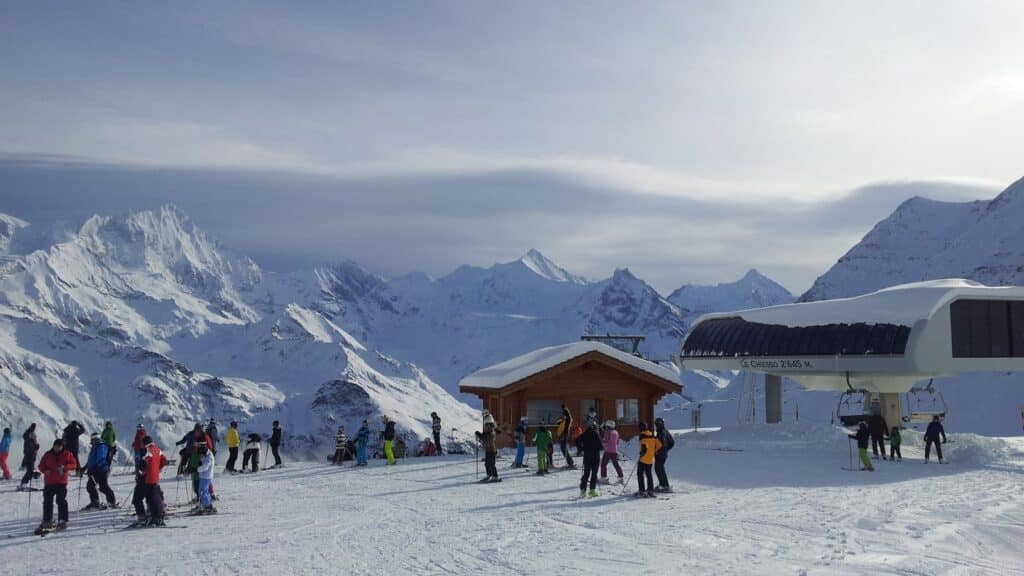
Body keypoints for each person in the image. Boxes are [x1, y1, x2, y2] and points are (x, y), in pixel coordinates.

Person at [35, 438, 77, 534]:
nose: (56, 448)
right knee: (47, 501)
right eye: (55, 446)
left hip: (61, 482)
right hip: (49, 482)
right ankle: (47, 520)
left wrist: (65, 468)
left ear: (62, 447)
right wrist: (45, 470)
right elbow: (41, 466)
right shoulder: (47, 454)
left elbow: (74, 464)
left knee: (61, 501)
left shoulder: (67, 454)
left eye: (59, 446)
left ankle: (62, 520)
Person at [131, 435, 168, 527]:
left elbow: (142, 466)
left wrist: (139, 474)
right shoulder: (157, 449)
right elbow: (164, 460)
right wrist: (157, 469)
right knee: (152, 498)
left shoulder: (147, 451)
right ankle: (157, 516)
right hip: (154, 477)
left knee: (137, 498)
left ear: (145, 443)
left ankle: (142, 518)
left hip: (146, 478)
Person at [83, 433, 117, 510]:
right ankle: (98, 502)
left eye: (92, 440)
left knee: (101, 486)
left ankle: (109, 501)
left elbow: (101, 458)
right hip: (96, 470)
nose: (91, 442)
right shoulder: (96, 446)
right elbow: (91, 459)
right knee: (94, 486)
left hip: (101, 470)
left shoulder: (101, 446)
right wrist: (85, 468)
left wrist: (94, 468)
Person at [636, 422, 662, 498]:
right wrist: (654, 451)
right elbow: (659, 445)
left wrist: (642, 453)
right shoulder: (652, 435)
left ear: (641, 428)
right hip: (650, 459)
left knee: (640, 474)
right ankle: (650, 490)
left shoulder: (642, 436)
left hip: (643, 459)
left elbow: (644, 447)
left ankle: (642, 490)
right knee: (649, 474)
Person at [577, 422, 603, 498]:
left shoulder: (585, 433)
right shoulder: (596, 433)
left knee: (586, 473)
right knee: (594, 474)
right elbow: (601, 447)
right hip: (595, 456)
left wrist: (581, 449)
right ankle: (592, 491)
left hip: (587, 456)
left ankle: (583, 491)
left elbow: (577, 440)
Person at [653, 417, 675, 493]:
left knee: (659, 469)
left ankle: (665, 486)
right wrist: (666, 450)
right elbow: (672, 443)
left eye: (656, 424)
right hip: (663, 454)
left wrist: (661, 450)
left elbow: (662, 444)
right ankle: (663, 485)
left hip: (660, 454)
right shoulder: (665, 431)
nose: (656, 426)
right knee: (660, 469)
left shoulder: (661, 432)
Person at [194, 442, 216, 515]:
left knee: (203, 492)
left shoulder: (209, 456)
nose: (201, 455)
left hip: (206, 476)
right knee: (203, 491)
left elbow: (205, 467)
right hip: (203, 476)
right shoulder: (205, 454)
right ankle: (205, 504)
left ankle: (208, 506)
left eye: (201, 453)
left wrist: (196, 469)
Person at [600, 420, 623, 484]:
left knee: (603, 464)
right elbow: (617, 442)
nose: (606, 427)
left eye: (607, 426)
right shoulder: (616, 432)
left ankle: (604, 478)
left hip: (607, 451)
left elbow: (605, 441)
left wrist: (603, 443)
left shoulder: (607, 432)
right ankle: (621, 477)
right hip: (614, 451)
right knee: (616, 465)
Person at [19, 423, 40, 490]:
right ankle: (23, 484)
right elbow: (31, 449)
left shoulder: (29, 438)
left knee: (30, 471)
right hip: (30, 457)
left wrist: (36, 445)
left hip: (31, 457)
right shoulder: (29, 440)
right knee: (29, 472)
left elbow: (36, 446)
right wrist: (35, 447)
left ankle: (23, 483)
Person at [555, 405, 575, 469]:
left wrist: (565, 410)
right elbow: (557, 422)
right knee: (563, 448)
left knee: (563, 448)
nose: (563, 416)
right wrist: (561, 418)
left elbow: (569, 418)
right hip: (561, 434)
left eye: (564, 414)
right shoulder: (563, 420)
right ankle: (570, 461)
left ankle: (570, 462)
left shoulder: (568, 420)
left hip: (564, 434)